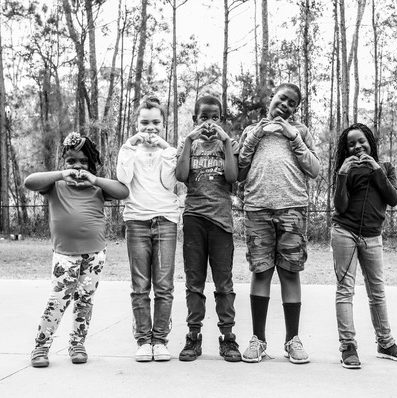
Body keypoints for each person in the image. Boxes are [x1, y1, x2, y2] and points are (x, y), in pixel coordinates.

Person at [26, 132, 129, 368]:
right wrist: (62, 174)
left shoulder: (97, 188)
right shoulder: (55, 184)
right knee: (58, 300)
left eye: (84, 162)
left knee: (85, 300)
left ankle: (77, 343)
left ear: (91, 165)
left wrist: (94, 179)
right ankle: (41, 346)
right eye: (71, 161)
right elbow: (29, 182)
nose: (78, 166)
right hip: (65, 254)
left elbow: (123, 192)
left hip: (95, 255)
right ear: (63, 163)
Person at [237, 83, 320, 364]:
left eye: (292, 103)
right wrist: (255, 136)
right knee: (261, 273)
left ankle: (292, 340)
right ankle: (258, 339)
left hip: (292, 209)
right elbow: (239, 171)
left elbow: (315, 169)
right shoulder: (251, 131)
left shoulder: (301, 132)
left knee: (289, 273)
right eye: (282, 98)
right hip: (257, 210)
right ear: (271, 98)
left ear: (295, 110)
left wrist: (294, 137)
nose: (285, 105)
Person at [331, 123, 397, 369]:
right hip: (344, 232)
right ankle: (348, 346)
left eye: (361, 141)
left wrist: (376, 169)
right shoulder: (346, 170)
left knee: (376, 291)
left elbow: (394, 199)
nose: (357, 147)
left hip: (372, 236)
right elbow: (340, 207)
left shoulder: (385, 168)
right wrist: (342, 175)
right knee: (345, 290)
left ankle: (385, 343)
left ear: (370, 142)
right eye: (351, 144)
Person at [175, 95, 241, 362]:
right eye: (204, 117)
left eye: (215, 117)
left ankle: (228, 337)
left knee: (224, 283)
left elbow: (233, 177)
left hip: (221, 222)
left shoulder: (229, 144)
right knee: (194, 283)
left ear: (221, 120)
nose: (209, 123)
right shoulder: (187, 143)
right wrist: (190, 140)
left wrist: (225, 141)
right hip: (194, 219)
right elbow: (181, 177)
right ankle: (193, 336)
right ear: (195, 120)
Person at [116, 96, 180, 362]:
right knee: (140, 285)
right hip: (137, 221)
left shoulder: (170, 152)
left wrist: (165, 147)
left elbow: (168, 182)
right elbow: (123, 180)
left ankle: (160, 339)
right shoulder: (129, 150)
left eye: (155, 123)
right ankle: (143, 339)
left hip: (165, 221)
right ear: (136, 123)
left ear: (163, 123)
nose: (150, 128)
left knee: (163, 286)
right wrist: (130, 144)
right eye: (144, 123)